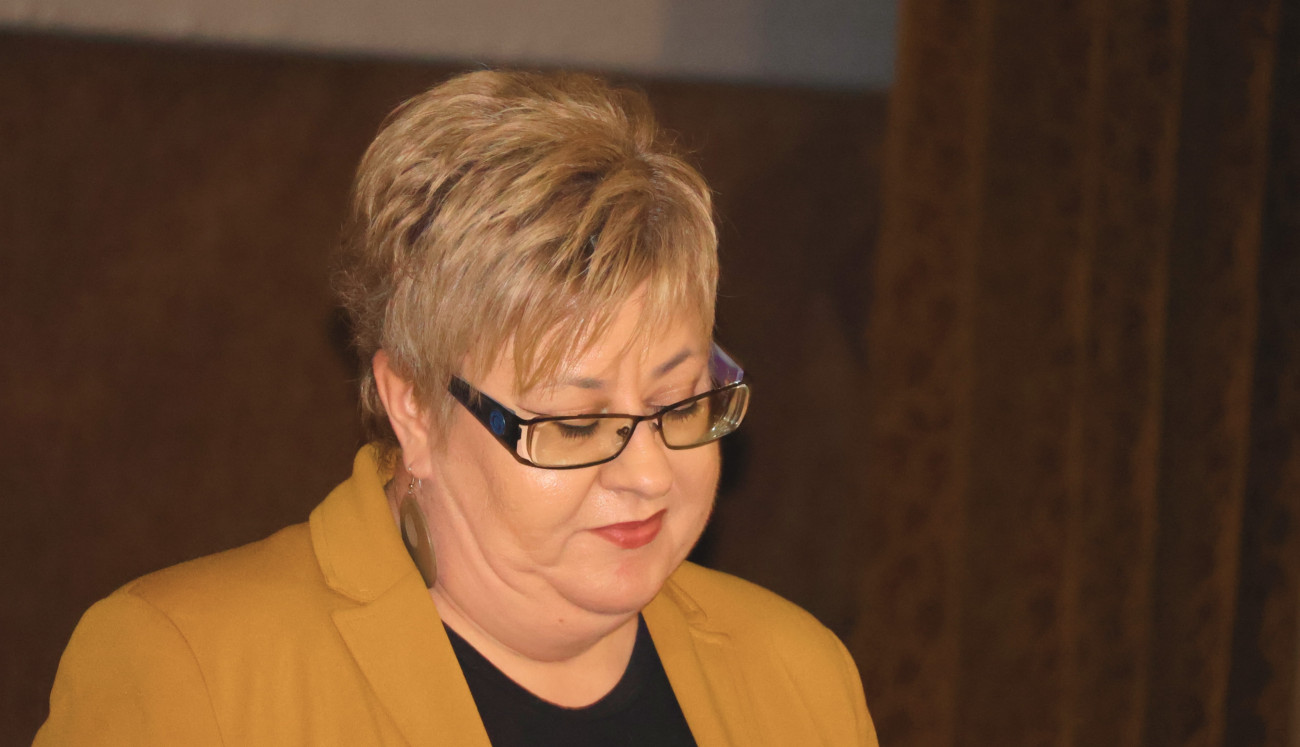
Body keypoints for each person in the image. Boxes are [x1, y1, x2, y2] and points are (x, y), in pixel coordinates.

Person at [36, 70, 877, 746]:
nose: (650, 473)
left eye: (680, 400)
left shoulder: (798, 676)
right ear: (410, 403)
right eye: (575, 423)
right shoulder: (187, 673)